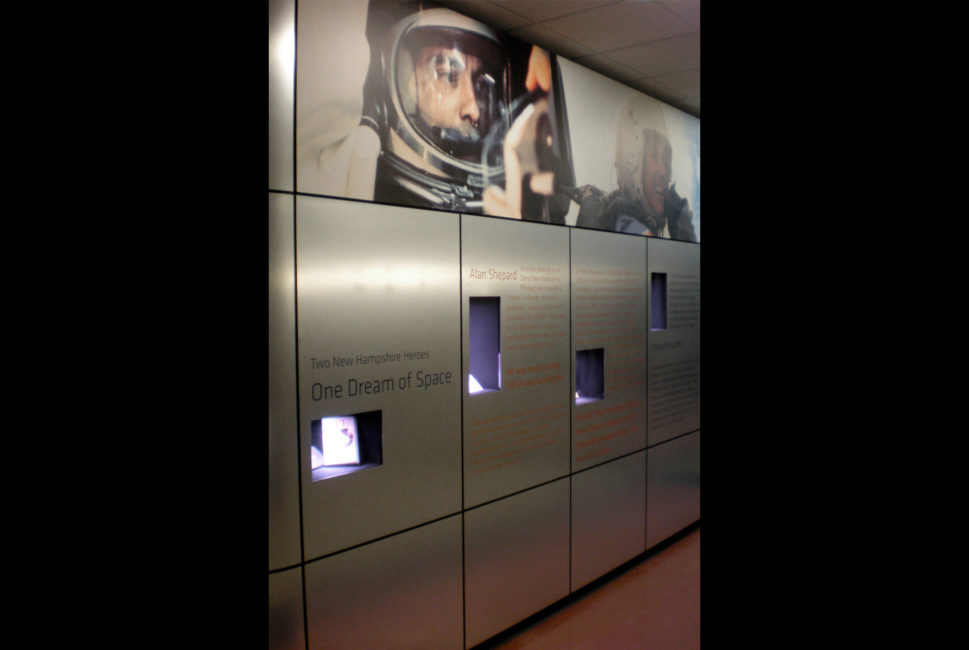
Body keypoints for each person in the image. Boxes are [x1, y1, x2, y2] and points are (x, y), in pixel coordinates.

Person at [574, 98, 696, 241]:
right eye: (654, 155)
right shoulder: (632, 228)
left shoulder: (623, 221)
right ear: (631, 163)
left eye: (665, 159)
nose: (664, 172)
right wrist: (684, 229)